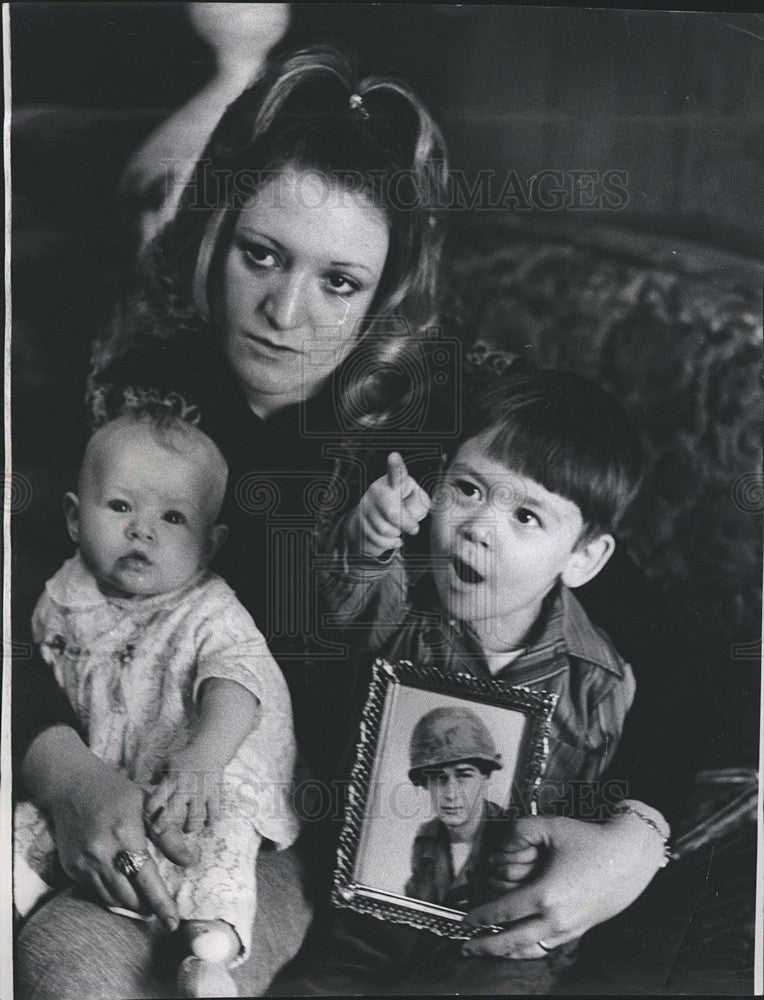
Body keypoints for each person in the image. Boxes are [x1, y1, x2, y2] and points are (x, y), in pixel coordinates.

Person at [14, 47, 694, 1000]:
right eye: (261, 255)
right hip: (113, 771)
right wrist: (62, 773)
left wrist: (637, 841)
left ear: (387, 296)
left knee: (83, 969)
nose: (285, 314)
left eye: (340, 283)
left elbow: (661, 642)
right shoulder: (134, 385)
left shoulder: (448, 417)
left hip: (310, 835)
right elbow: (20, 579)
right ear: (213, 234)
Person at [277, 362, 653, 994]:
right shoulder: (399, 609)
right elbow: (336, 611)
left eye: (527, 517)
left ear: (584, 557)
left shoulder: (599, 683)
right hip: (363, 913)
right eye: (470, 490)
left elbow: (591, 818)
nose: (480, 527)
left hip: (497, 941)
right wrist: (366, 543)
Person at [14, 401, 300, 998]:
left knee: (218, 845)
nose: (142, 529)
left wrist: (203, 761)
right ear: (73, 517)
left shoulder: (208, 610)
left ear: (210, 543)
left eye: (174, 518)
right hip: (100, 776)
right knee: (20, 822)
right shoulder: (60, 598)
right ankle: (19, 885)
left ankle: (210, 953)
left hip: (189, 773)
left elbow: (239, 683)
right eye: (120, 507)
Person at [405, 706, 515, 911]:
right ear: (425, 783)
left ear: (485, 777)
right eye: (439, 778)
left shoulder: (512, 835)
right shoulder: (425, 840)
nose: (451, 794)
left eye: (463, 776)